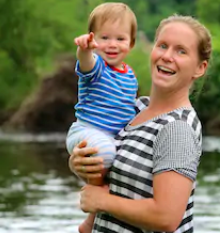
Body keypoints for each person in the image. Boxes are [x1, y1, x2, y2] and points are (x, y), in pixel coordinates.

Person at [69, 14, 212, 233]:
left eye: (181, 51)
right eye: (162, 45)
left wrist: (102, 201)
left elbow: (166, 217)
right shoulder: (135, 109)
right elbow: (119, 176)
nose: (167, 56)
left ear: (199, 68)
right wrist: (79, 163)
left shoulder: (176, 128)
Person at [65, 2, 138, 233]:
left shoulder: (130, 76)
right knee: (105, 154)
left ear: (131, 43)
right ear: (93, 38)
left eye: (120, 39)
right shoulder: (97, 68)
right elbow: (86, 63)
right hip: (87, 131)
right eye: (104, 37)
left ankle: (91, 221)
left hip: (112, 136)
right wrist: (84, 50)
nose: (112, 45)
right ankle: (98, 198)